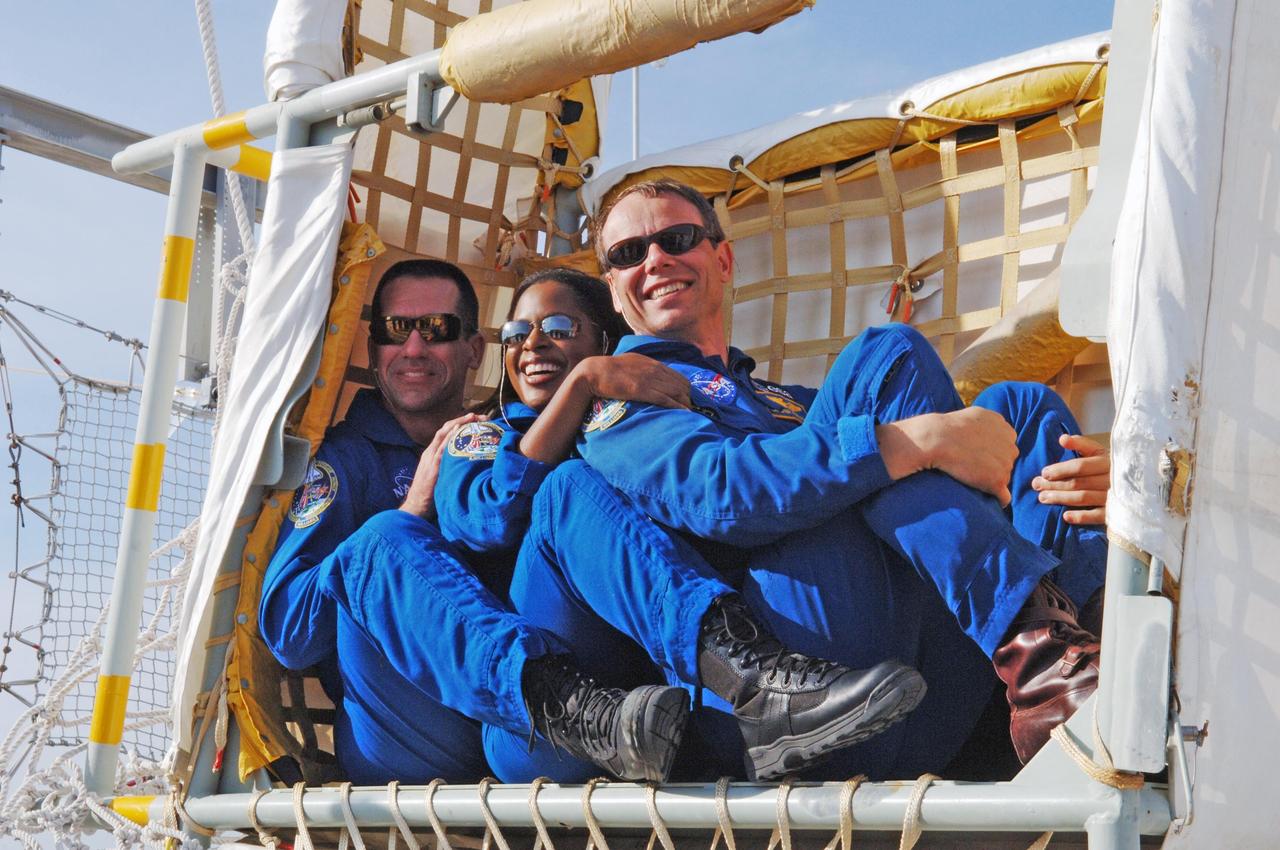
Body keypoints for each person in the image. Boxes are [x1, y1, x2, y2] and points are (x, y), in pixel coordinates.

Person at [570, 179, 1110, 773]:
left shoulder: (790, 400)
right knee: (886, 356)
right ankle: (1042, 661)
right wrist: (910, 442)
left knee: (1024, 410)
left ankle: (1074, 647)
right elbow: (723, 495)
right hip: (799, 684)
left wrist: (1106, 495)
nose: (657, 259)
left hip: (926, 689)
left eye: (677, 238)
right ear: (616, 294)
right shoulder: (623, 401)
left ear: (722, 260)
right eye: (629, 254)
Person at [435, 267, 928, 782]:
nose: (532, 344)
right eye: (515, 335)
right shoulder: (482, 436)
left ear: (607, 341)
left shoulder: (661, 403)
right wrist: (580, 387)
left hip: (661, 711)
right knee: (570, 487)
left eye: (558, 328)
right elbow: (488, 520)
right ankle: (756, 683)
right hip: (540, 719)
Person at [260, 259, 693, 785]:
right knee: (384, 540)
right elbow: (287, 633)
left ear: (474, 350)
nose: (414, 348)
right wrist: (412, 513)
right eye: (396, 330)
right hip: (410, 733)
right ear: (373, 350)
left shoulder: (503, 435)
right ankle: (557, 700)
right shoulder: (347, 462)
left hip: (529, 731)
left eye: (437, 329)